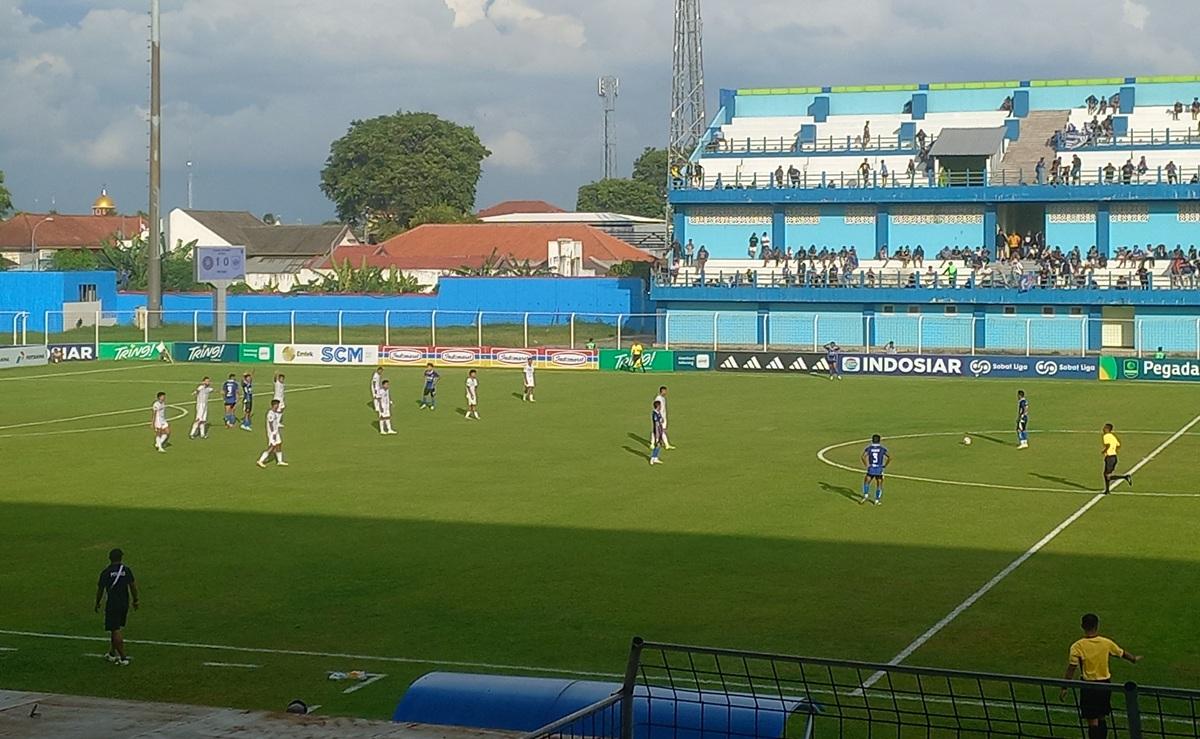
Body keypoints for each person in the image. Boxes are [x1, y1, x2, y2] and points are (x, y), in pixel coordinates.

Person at [1060, 613, 1141, 739]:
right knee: (1102, 716)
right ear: (1097, 626)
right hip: (1105, 685)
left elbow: (1072, 668)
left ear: (1082, 626)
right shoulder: (1106, 642)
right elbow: (1122, 653)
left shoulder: (1077, 646)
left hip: (1088, 686)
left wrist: (1065, 686)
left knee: (1092, 721)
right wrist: (1134, 659)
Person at [95, 548, 138, 666]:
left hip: (113, 604)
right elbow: (133, 586)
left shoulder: (106, 572)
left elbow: (100, 589)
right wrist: (135, 600)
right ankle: (112, 653)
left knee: (115, 629)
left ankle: (123, 657)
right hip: (124, 603)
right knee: (117, 627)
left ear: (110, 558)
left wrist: (97, 602)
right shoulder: (126, 570)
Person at [1101, 423, 1132, 493]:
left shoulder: (1105, 436)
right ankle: (1107, 490)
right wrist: (1115, 450)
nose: (1103, 429)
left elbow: (1108, 445)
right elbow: (1118, 445)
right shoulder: (1112, 436)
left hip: (1109, 457)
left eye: (1105, 428)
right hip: (1114, 457)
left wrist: (1104, 451)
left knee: (1107, 475)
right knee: (1106, 475)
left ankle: (1125, 477)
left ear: (1108, 429)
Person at [256, 399, 288, 468]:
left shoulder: (274, 413)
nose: (278, 406)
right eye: (277, 405)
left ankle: (280, 461)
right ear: (274, 405)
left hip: (276, 432)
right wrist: (273, 433)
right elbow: (270, 424)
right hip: (272, 433)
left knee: (279, 444)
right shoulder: (270, 414)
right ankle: (260, 461)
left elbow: (276, 420)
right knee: (272, 447)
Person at [860, 434, 890, 506]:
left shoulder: (869, 448)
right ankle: (877, 500)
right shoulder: (882, 449)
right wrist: (885, 465)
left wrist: (866, 465)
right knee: (879, 484)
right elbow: (890, 457)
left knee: (866, 481)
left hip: (871, 468)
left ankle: (866, 495)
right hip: (879, 469)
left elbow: (863, 456)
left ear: (872, 440)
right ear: (879, 440)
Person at [653, 386, 675, 450]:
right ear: (661, 391)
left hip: (664, 417)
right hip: (660, 417)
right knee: (661, 431)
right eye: (665, 391)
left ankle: (661, 442)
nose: (666, 392)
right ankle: (664, 444)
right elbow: (657, 408)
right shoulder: (658, 398)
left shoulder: (663, 398)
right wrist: (659, 417)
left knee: (663, 431)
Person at [649, 399, 665, 466]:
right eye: (660, 406)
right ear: (658, 406)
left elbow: (661, 420)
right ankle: (652, 458)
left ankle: (655, 457)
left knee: (660, 444)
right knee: (658, 444)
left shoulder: (658, 413)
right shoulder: (654, 414)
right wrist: (657, 435)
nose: (661, 407)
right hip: (657, 431)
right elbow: (656, 424)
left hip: (660, 430)